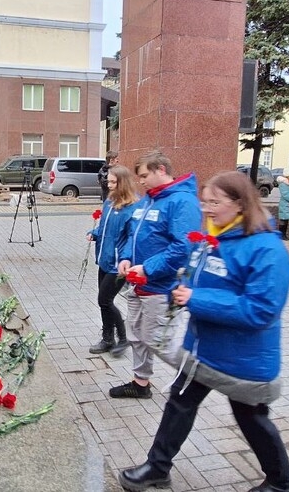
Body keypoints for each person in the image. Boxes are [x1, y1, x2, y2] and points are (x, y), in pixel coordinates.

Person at [118, 171, 289, 492]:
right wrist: (182, 286)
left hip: (242, 358)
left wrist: (196, 298)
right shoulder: (216, 238)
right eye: (205, 201)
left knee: (252, 419)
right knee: (179, 403)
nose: (207, 209)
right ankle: (157, 468)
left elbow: (261, 310)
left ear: (241, 204)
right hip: (203, 350)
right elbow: (200, 278)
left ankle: (283, 483)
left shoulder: (267, 250)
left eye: (215, 202)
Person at [110, 151, 202, 399]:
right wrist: (127, 256)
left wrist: (148, 268)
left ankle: (200, 378)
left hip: (161, 287)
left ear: (160, 169)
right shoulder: (148, 200)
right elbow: (133, 234)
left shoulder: (182, 202)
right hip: (139, 284)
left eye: (144, 176)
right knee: (137, 336)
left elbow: (184, 247)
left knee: (158, 340)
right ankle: (140, 383)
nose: (140, 181)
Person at [87, 165, 140, 356]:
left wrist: (125, 259)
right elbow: (103, 228)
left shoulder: (133, 207)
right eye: (107, 181)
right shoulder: (109, 202)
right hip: (104, 259)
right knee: (103, 301)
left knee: (105, 300)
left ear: (123, 183)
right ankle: (108, 339)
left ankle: (123, 338)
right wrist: (94, 234)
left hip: (118, 264)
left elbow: (133, 238)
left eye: (112, 182)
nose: (108, 185)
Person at [275, 167, 289, 241]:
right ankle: (281, 235)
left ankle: (284, 234)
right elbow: (285, 195)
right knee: (283, 220)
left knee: (286, 220)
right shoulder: (283, 184)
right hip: (285, 204)